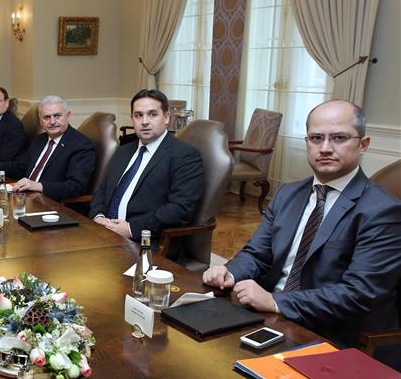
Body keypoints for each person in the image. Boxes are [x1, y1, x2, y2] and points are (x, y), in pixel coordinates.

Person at [203, 100, 401, 361]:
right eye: (316, 138)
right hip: (268, 318)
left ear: (363, 145)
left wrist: (276, 302)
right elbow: (257, 254)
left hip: (334, 337)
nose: (325, 148)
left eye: (339, 138)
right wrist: (229, 272)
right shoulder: (288, 193)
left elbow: (359, 293)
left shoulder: (382, 210)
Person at [89, 89, 203, 260]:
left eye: (152, 114)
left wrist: (131, 229)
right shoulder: (123, 151)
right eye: (138, 115)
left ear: (166, 117)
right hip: (104, 234)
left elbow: (179, 209)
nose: (144, 122)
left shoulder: (184, 155)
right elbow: (103, 190)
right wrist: (98, 217)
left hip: (147, 243)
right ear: (132, 119)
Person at [0, 95, 95, 201]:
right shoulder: (39, 140)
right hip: (24, 198)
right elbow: (20, 166)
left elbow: (76, 186)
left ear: (68, 115)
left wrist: (38, 186)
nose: (52, 121)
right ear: (40, 120)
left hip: (51, 204)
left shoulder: (80, 145)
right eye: (46, 117)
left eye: (57, 116)